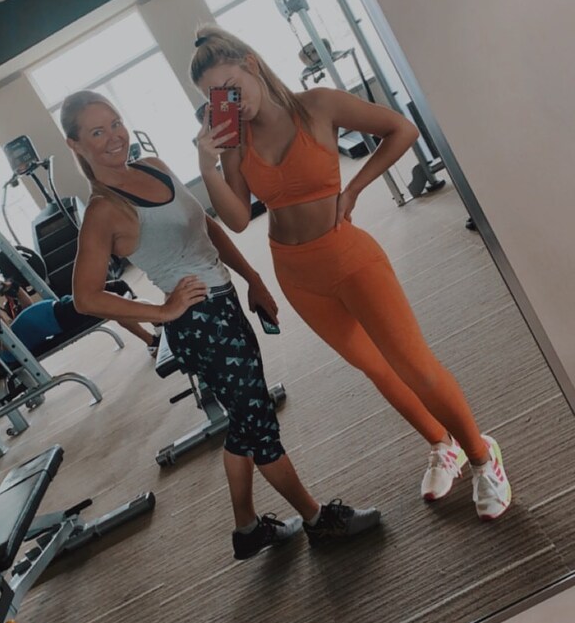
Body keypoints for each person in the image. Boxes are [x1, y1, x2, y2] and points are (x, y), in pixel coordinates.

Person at [190, 26, 512, 522]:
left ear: (251, 64)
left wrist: (356, 187)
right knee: (376, 369)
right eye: (215, 97)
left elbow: (401, 130)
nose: (229, 102)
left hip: (349, 255)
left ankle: (482, 456)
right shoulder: (233, 144)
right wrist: (205, 162)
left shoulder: (318, 105)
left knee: (416, 367)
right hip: (296, 274)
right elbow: (235, 219)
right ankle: (440, 444)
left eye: (231, 87)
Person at [59, 90, 382, 559]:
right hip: (199, 323)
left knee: (246, 421)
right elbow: (85, 297)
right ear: (76, 145)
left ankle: (247, 529)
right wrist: (163, 312)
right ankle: (318, 521)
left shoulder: (153, 166)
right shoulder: (103, 211)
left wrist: (252, 278)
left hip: (224, 302)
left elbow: (207, 227)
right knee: (260, 425)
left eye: (115, 123)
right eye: (96, 132)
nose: (114, 137)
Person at [0, 279, 159, 371]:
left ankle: (154, 335)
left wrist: (16, 289)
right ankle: (155, 332)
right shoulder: (9, 351)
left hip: (62, 307)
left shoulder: (12, 333)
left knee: (118, 293)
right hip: (64, 317)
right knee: (116, 300)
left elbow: (29, 308)